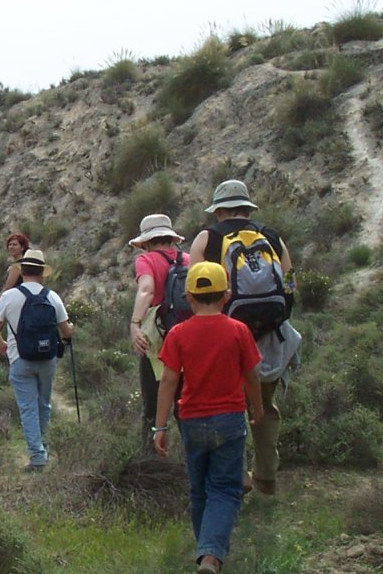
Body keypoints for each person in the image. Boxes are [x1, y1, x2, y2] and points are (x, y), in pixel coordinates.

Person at [153, 261, 264, 574]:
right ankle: (211, 557)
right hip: (229, 419)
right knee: (226, 490)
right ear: (226, 295)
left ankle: (205, 551)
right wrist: (257, 409)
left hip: (191, 421)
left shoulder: (177, 333)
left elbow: (168, 381)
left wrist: (160, 426)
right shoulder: (238, 330)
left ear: (189, 297)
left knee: (200, 489)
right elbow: (252, 376)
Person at [188, 179, 295, 496]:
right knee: (265, 405)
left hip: (225, 334)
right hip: (269, 333)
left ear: (218, 210)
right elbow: (290, 282)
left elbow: (193, 292)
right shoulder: (271, 236)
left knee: (231, 404)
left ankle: (238, 474)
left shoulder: (207, 239)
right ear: (247, 208)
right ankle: (265, 474)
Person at [0, 249, 74, 471]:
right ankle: (44, 445)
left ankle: (37, 456)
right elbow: (66, 332)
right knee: (44, 404)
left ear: (22, 270)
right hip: (47, 359)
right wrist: (71, 329)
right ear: (42, 272)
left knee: (27, 408)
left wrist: (0, 343)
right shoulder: (53, 297)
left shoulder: (9, 297)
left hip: (20, 358)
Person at [128, 214, 190, 446]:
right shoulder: (189, 259)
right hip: (189, 337)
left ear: (146, 242)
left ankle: (151, 458)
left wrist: (135, 324)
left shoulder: (147, 260)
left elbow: (147, 290)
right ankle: (193, 456)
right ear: (171, 238)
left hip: (159, 338)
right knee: (185, 400)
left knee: (152, 402)